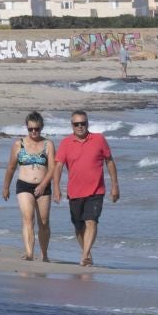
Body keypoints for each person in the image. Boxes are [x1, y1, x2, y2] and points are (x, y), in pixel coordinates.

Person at [52, 110, 119, 268]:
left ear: (88, 124)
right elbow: (58, 166)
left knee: (91, 221)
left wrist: (115, 185)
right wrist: (56, 188)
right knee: (78, 226)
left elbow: (109, 162)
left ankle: (84, 256)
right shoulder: (66, 143)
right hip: (75, 191)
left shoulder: (99, 139)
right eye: (77, 124)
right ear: (72, 125)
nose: (80, 126)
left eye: (83, 123)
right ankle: (87, 254)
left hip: (96, 190)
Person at [1, 111, 57, 262]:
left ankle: (44, 254)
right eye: (30, 129)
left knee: (43, 222)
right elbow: (11, 167)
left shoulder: (48, 144)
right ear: (26, 127)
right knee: (28, 218)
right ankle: (29, 253)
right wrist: (6, 187)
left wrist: (43, 184)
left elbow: (52, 168)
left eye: (37, 129)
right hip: (24, 185)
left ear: (41, 127)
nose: (34, 132)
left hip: (43, 186)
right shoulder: (19, 144)